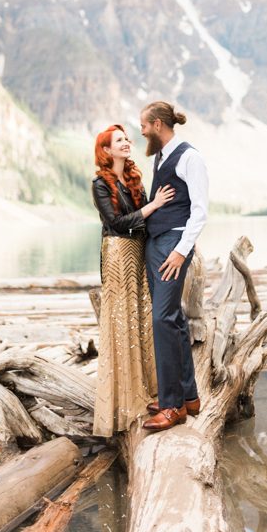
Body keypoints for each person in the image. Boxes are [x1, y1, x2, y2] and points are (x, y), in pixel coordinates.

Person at [91, 123, 175, 437]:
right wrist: (153, 206)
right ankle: (121, 404)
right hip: (117, 253)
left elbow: (142, 218)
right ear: (106, 150)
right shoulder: (100, 183)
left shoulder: (133, 178)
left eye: (127, 138)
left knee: (140, 319)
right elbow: (115, 221)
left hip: (138, 252)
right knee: (120, 322)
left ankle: (147, 393)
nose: (127, 143)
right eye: (119, 141)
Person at [139, 101, 209, 432]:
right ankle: (189, 397)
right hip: (157, 243)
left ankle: (171, 406)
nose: (141, 132)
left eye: (144, 125)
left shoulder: (190, 157)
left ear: (157, 124)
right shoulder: (161, 156)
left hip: (173, 245)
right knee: (174, 318)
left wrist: (181, 251)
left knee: (162, 318)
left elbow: (200, 211)